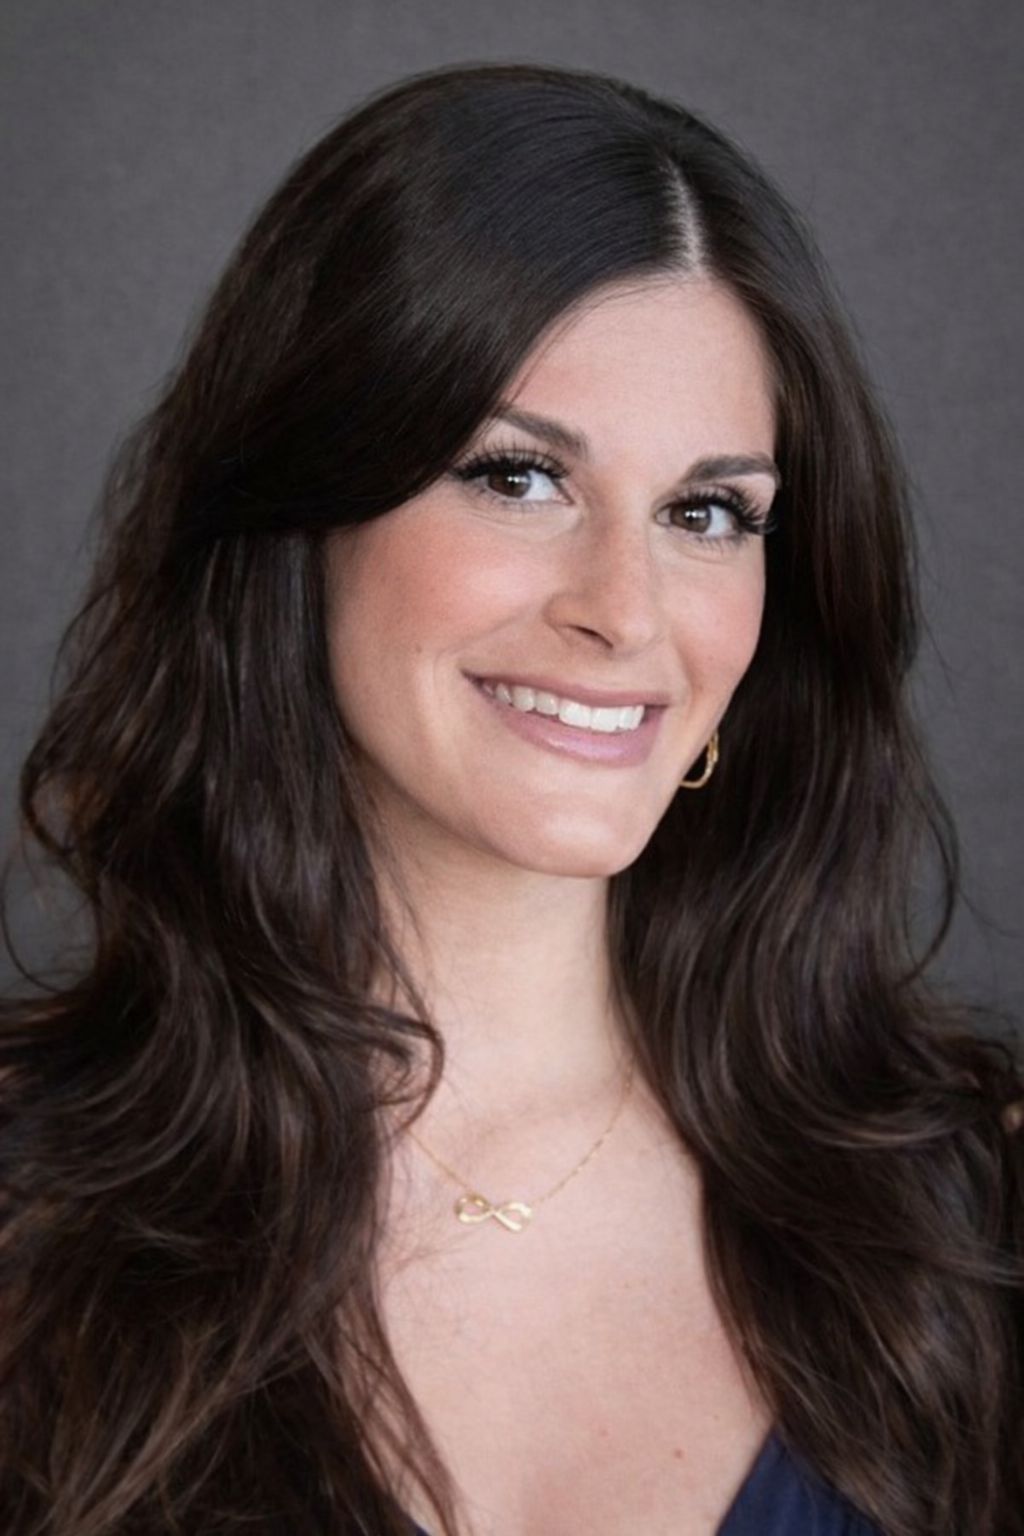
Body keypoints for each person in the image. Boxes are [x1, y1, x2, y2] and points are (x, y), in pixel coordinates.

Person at [0, 61, 1020, 1536]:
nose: (627, 611)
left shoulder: (966, 1222)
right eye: (517, 478)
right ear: (305, 513)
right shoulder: (32, 1219)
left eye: (708, 512)